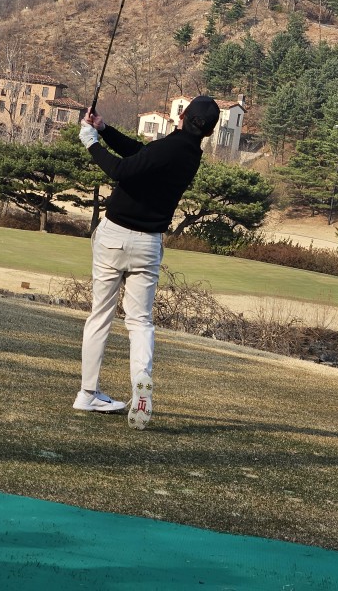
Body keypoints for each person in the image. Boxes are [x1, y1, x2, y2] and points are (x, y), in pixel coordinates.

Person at [74, 95, 220, 429]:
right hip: (148, 244)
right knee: (140, 321)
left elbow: (121, 170)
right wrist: (104, 129)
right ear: (209, 131)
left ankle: (88, 392)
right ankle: (141, 377)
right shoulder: (188, 154)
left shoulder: (169, 148)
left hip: (114, 237)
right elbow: (140, 153)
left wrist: (90, 142)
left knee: (100, 315)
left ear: (182, 116)